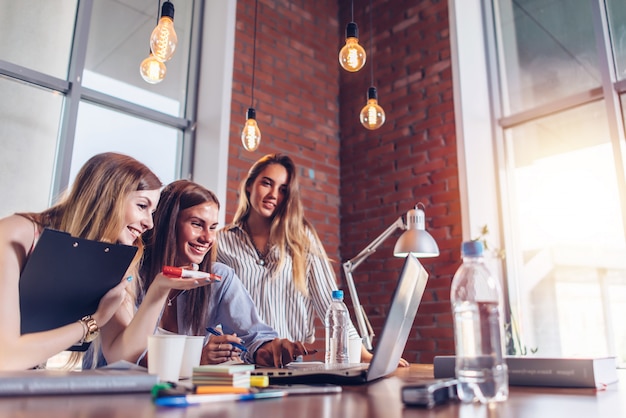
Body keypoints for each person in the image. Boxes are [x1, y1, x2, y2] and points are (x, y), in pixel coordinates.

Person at [0, 152, 212, 371]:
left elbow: (122, 355)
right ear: (107, 197)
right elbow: (6, 358)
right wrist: (93, 321)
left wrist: (160, 289)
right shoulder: (16, 233)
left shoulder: (112, 257)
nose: (149, 223)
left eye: (153, 211)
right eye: (142, 206)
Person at [217, 153, 397, 364]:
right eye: (266, 184)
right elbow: (212, 311)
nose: (273, 195)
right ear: (249, 185)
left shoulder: (301, 239)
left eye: (283, 190)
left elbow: (331, 303)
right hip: (239, 365)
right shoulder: (221, 242)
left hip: (290, 364)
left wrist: (365, 356)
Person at [140, 179, 307, 367]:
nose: (208, 238)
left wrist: (267, 350)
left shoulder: (218, 278)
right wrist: (195, 360)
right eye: (197, 224)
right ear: (168, 224)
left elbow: (254, 335)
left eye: (212, 227)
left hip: (189, 394)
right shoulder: (133, 276)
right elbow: (122, 358)